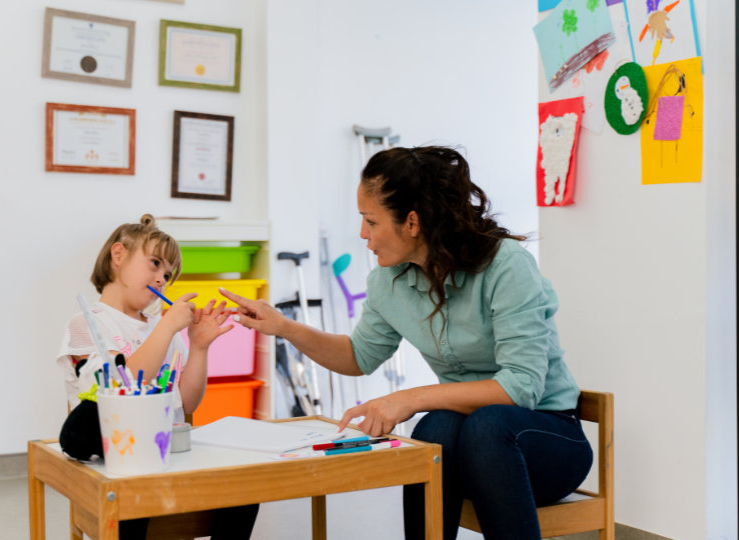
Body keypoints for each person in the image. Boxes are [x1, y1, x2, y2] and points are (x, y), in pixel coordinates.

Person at [219, 146, 593, 540]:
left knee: (484, 424)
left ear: (412, 222)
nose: (363, 233)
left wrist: (408, 398)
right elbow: (358, 356)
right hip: (474, 446)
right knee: (438, 427)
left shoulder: (506, 265)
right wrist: (284, 327)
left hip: (547, 441)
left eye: (370, 220)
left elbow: (521, 388)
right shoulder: (389, 280)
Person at [57, 214, 258, 539]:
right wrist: (165, 327)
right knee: (132, 499)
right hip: (114, 464)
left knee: (244, 491)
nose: (162, 279)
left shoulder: (165, 331)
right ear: (118, 255)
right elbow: (117, 388)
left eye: (168, 274)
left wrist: (199, 347)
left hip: (165, 455)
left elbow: (187, 402)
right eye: (154, 264)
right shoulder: (86, 323)